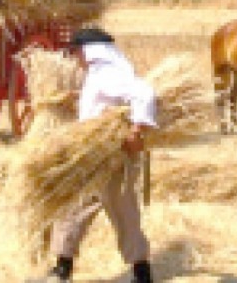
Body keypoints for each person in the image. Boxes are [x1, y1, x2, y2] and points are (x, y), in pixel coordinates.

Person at [46, 27, 156, 283]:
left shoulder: (107, 73)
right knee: (73, 207)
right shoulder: (100, 74)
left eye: (77, 52)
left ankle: (141, 273)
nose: (76, 58)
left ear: (90, 51)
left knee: (122, 212)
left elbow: (144, 93)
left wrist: (136, 131)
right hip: (93, 155)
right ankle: (63, 268)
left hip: (111, 155)